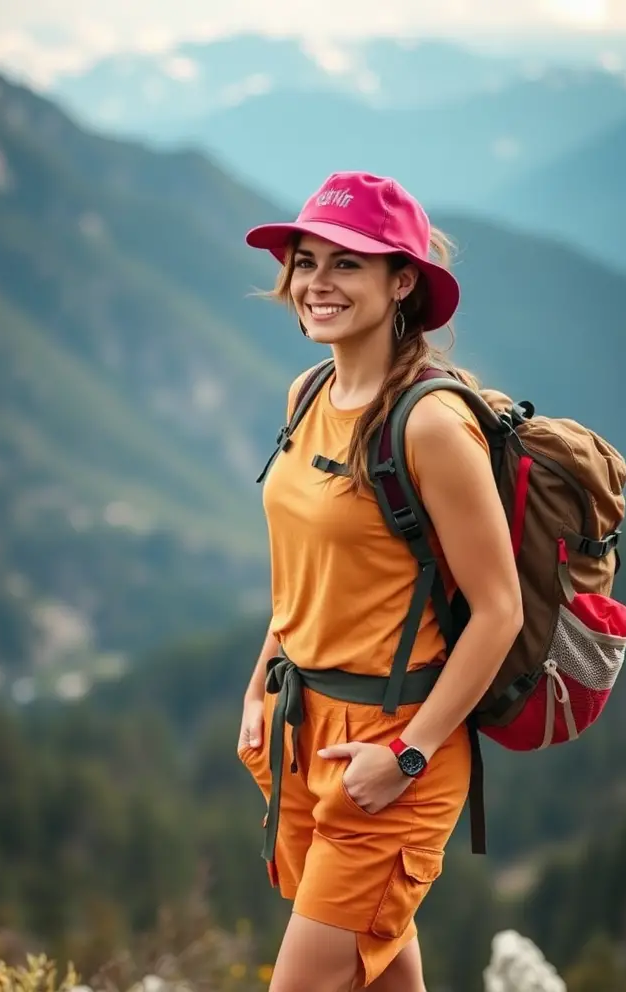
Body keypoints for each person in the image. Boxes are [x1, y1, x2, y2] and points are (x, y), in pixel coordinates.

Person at [238, 171, 523, 992]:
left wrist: (406, 753)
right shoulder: (311, 392)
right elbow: (307, 572)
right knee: (379, 963)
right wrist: (260, 685)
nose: (316, 284)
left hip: (392, 747)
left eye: (346, 264)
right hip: (303, 728)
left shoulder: (430, 423)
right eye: (304, 261)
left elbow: (498, 610)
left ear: (404, 282)